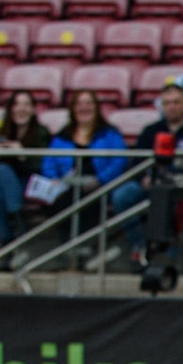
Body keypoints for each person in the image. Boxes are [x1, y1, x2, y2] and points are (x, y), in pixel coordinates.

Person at [110, 82, 183, 264]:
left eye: (176, 102)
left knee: (174, 200)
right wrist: (143, 178)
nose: (172, 107)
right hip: (152, 183)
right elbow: (137, 164)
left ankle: (172, 253)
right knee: (122, 196)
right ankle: (140, 244)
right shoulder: (150, 131)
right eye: (167, 103)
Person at [39, 89, 129, 264]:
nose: (84, 107)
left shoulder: (109, 133)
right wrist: (55, 179)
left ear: (96, 108)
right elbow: (48, 163)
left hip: (100, 185)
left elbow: (120, 160)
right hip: (68, 186)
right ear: (73, 109)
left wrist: (101, 180)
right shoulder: (62, 136)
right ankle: (69, 250)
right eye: (79, 104)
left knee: (90, 198)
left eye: (88, 103)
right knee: (65, 199)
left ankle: (89, 248)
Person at [0, 88, 49, 264]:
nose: (21, 109)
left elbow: (45, 164)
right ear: (10, 109)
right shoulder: (0, 133)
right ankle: (18, 225)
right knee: (2, 171)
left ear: (33, 109)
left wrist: (22, 154)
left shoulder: (42, 133)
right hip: (6, 181)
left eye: (26, 104)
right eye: (17, 104)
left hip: (29, 180)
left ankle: (7, 244)